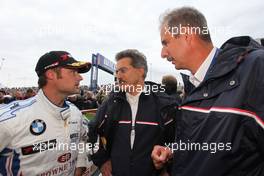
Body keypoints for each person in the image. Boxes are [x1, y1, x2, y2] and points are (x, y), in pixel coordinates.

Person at [152, 6, 264, 176]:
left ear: (187, 36)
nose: (162, 53)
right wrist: (174, 151)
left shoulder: (256, 68)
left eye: (165, 42)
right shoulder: (194, 85)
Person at [0, 51, 91, 175]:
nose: (80, 77)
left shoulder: (75, 112)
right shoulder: (11, 119)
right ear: (51, 74)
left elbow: (82, 141)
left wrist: (79, 167)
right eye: (73, 72)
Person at [89, 49, 178, 176]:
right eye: (117, 71)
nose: (118, 76)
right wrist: (102, 161)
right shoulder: (111, 103)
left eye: (123, 70)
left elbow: (179, 141)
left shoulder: (165, 104)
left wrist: (167, 167)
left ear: (140, 71)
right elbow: (91, 132)